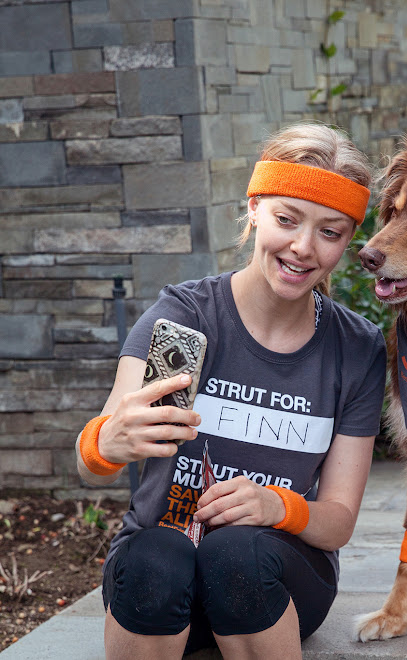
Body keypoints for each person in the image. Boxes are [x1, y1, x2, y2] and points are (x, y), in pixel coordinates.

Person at [75, 122, 387, 660]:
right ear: (254, 209)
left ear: (348, 239)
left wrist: (274, 505)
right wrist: (106, 443)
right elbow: (93, 458)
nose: (302, 247)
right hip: (159, 574)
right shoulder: (185, 318)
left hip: (274, 579)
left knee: (235, 553)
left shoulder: (355, 348)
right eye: (286, 220)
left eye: (330, 232)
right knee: (155, 555)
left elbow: (336, 521)